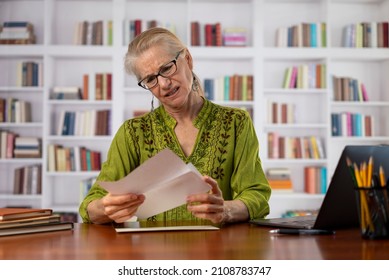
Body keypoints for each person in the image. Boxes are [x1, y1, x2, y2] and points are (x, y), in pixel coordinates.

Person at [79, 27, 271, 225]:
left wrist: (226, 210)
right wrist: (107, 207)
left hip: (216, 251)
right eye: (151, 79)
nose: (163, 84)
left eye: (166, 68)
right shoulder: (132, 133)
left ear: (187, 59)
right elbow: (89, 207)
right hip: (154, 253)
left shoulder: (235, 122)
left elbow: (256, 195)